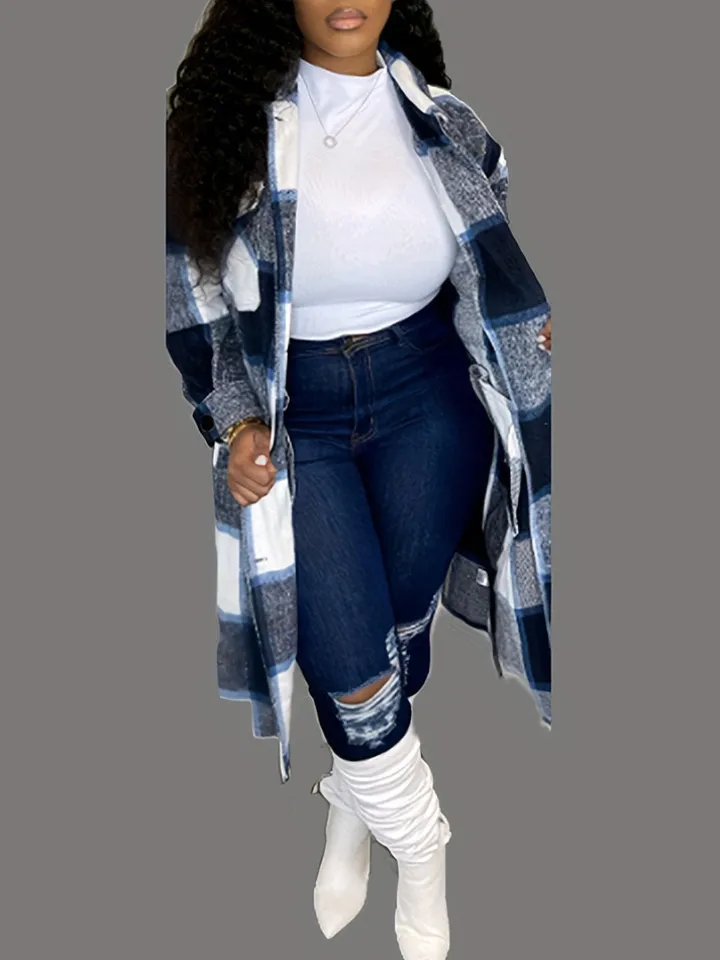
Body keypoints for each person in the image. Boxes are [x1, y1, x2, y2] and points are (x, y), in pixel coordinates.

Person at [165, 2, 552, 958]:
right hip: (299, 411)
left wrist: (523, 328)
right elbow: (194, 299)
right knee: (348, 647)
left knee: (394, 623)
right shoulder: (232, 130)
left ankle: (353, 797)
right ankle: (421, 843)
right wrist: (235, 421)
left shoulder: (447, 119)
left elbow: (489, 258)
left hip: (430, 396)